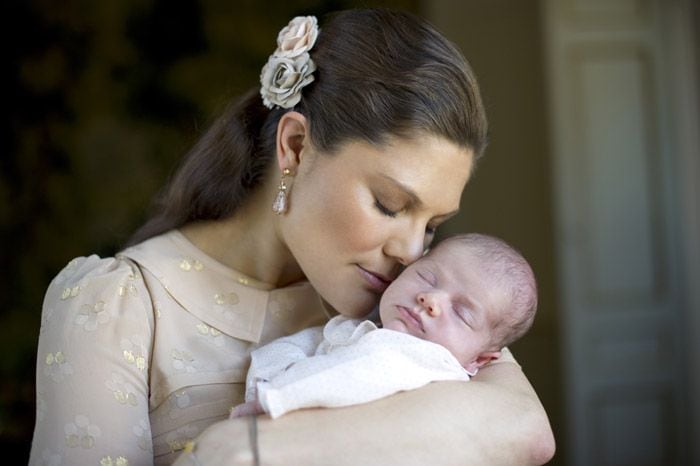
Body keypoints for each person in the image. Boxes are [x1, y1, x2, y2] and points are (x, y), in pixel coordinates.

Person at [30, 9, 555, 466]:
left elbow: (529, 432)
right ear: (296, 146)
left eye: (433, 226)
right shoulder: (117, 303)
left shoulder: (415, 313)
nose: (411, 252)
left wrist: (254, 448)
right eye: (390, 205)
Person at [231, 233, 537, 419]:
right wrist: (270, 375)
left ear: (480, 360)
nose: (430, 299)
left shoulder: (429, 363)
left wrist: (278, 398)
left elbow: (357, 377)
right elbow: (306, 343)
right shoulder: (365, 326)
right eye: (427, 277)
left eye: (461, 312)